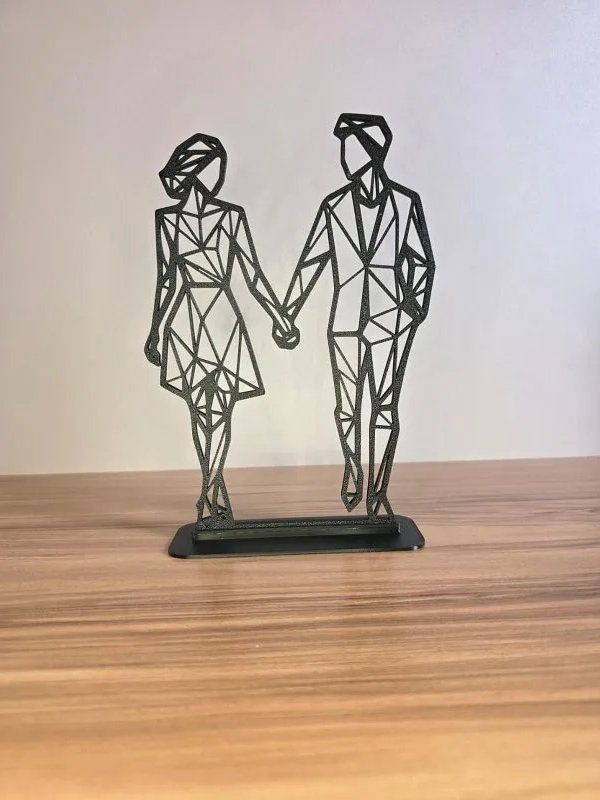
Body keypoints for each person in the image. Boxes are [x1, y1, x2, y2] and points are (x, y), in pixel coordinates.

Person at [276, 113, 435, 518]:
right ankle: (352, 466)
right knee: (346, 408)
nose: (344, 157)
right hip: (345, 320)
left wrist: (413, 309)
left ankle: (378, 493)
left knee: (384, 407)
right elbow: (311, 261)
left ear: (371, 152)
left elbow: (421, 261)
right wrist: (287, 312)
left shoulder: (405, 203)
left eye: (350, 147)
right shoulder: (334, 206)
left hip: (391, 320)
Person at [145, 133, 298, 529]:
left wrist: (280, 316)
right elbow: (166, 280)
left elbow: (252, 275)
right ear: (199, 174)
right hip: (187, 320)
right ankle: (211, 493)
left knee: (221, 412)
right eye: (214, 168)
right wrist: (155, 330)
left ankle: (210, 493)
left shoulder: (231, 217)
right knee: (201, 412)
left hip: (222, 317)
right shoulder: (168, 220)